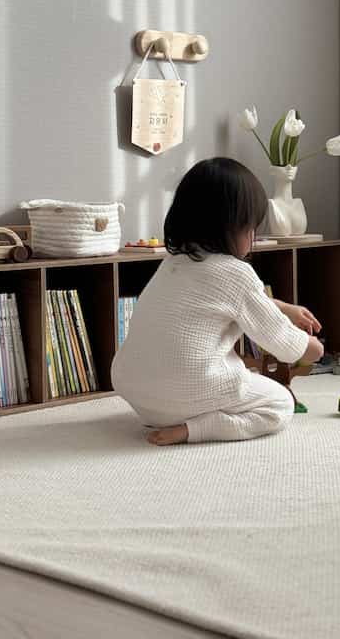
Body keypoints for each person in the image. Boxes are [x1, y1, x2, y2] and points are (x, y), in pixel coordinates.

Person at [111, 157, 323, 445]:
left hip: (138, 393)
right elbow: (285, 346)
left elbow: (234, 302)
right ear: (232, 228)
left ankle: (173, 418)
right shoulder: (236, 272)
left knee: (220, 377)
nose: (252, 237)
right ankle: (194, 429)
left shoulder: (174, 262)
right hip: (188, 390)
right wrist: (313, 348)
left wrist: (286, 309)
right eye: (251, 229)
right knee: (280, 403)